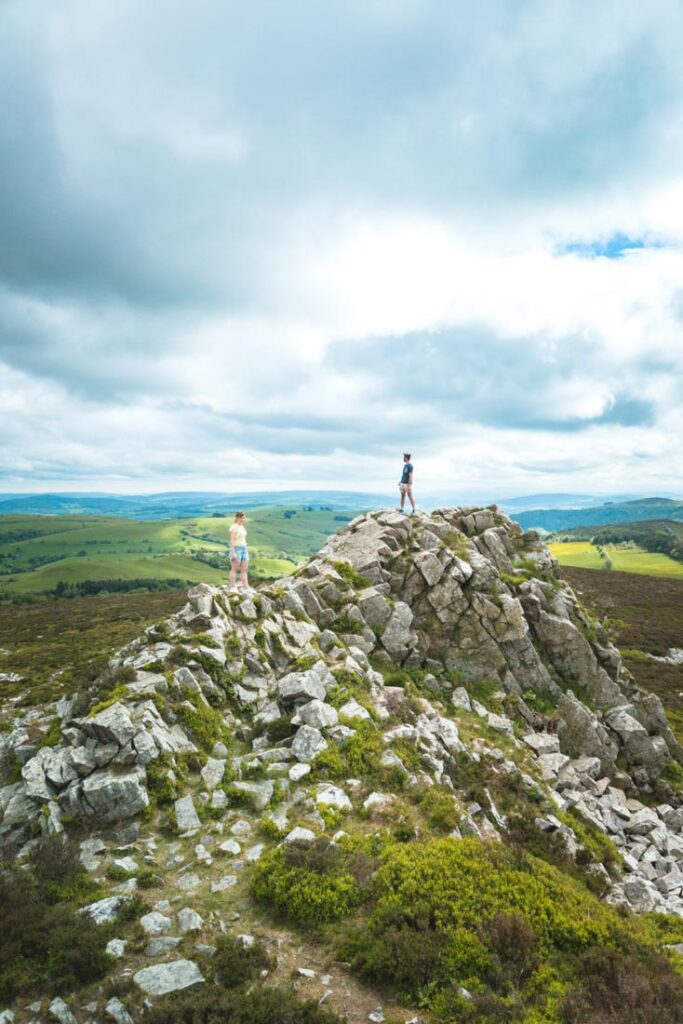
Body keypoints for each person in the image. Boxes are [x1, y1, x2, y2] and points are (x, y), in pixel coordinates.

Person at [229, 511, 252, 592]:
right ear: (238, 518)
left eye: (244, 518)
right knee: (234, 569)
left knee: (244, 569)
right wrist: (233, 552)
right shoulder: (234, 527)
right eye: (242, 518)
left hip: (244, 548)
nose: (243, 519)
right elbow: (231, 540)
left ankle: (246, 587)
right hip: (237, 549)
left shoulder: (241, 526)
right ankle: (233, 587)